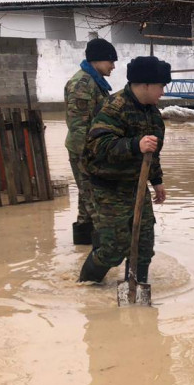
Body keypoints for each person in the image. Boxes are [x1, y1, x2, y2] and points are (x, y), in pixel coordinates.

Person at [78, 55, 170, 284]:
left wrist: (157, 181)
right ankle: (86, 286)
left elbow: (153, 152)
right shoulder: (114, 107)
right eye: (161, 86)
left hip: (135, 185)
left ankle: (136, 289)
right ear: (145, 85)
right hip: (107, 186)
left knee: (144, 244)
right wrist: (134, 145)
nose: (163, 92)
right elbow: (97, 146)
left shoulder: (153, 113)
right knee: (114, 248)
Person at [64, 38, 118, 245]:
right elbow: (79, 126)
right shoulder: (83, 84)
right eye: (110, 61)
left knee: (85, 198)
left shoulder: (95, 82)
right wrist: (90, 158)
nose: (113, 66)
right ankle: (102, 251)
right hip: (84, 152)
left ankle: (82, 247)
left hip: (91, 149)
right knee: (95, 198)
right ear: (97, 60)